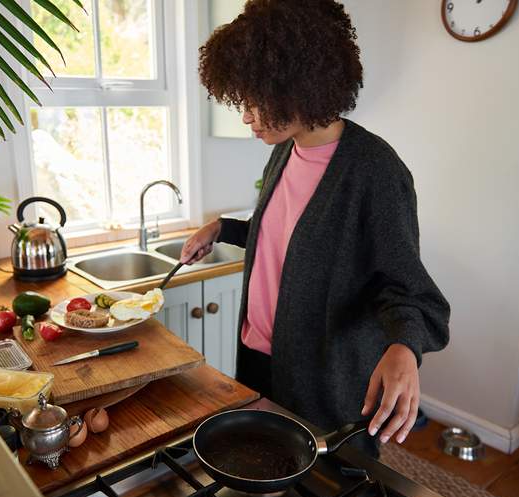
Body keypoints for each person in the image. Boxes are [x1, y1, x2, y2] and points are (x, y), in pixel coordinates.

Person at [180, 0, 450, 457]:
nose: (245, 115)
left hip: (326, 383)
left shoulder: (374, 171)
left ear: (297, 86)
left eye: (255, 99)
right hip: (262, 359)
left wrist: (404, 347)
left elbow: (408, 289)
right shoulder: (285, 151)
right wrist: (221, 229)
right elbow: (294, 246)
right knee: (267, 476)